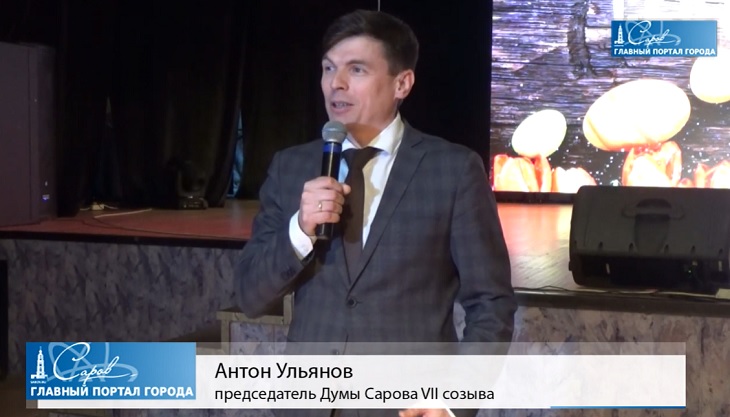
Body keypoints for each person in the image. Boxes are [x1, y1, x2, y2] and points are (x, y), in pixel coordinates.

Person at [236, 9, 516, 417]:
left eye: (357, 69)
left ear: (402, 83)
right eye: (328, 68)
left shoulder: (452, 170)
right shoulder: (291, 167)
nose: (336, 83)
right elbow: (250, 296)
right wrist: (301, 229)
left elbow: (491, 302)